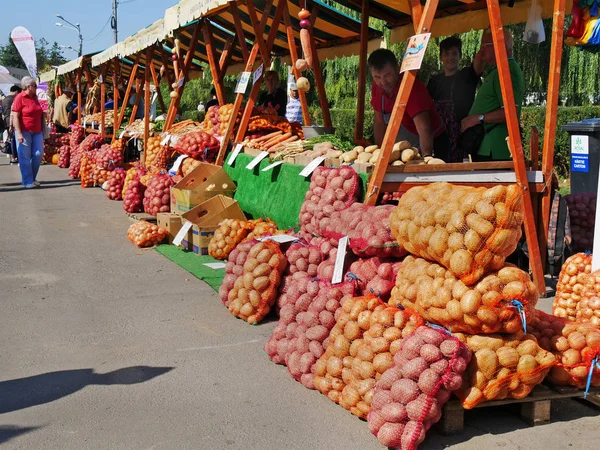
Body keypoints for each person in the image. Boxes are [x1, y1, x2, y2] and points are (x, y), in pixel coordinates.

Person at [369, 49, 448, 160]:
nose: (383, 82)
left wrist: (427, 157)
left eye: (387, 75)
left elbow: (424, 128)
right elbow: (379, 123)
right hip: (406, 147)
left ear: (397, 69)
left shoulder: (410, 88)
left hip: (433, 141)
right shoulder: (376, 87)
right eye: (377, 77)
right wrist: (378, 153)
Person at [460, 29, 525, 161]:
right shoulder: (499, 70)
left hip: (496, 149)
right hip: (488, 147)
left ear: (499, 45)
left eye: (485, 45)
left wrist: (479, 118)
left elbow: (511, 111)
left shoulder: (507, 70)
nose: (481, 50)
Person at [427, 37, 484, 162]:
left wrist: (487, 31)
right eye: (446, 54)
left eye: (454, 53)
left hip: (463, 137)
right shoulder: (434, 82)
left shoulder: (467, 75)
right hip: (439, 136)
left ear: (460, 56)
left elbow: (480, 59)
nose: (450, 58)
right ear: (441, 58)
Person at [11, 76, 45, 188]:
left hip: (37, 131)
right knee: (24, 156)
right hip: (24, 131)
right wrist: (19, 133)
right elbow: (15, 116)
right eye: (34, 85)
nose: (36, 87)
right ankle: (27, 181)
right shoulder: (19, 98)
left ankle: (32, 177)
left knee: (38, 154)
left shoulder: (35, 97)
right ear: (27, 87)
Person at [2, 85, 21, 164]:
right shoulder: (15, 99)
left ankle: (12, 157)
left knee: (10, 139)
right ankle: (15, 156)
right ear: (16, 91)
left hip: (6, 120)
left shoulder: (4, 99)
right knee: (14, 139)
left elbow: (3, 112)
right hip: (13, 120)